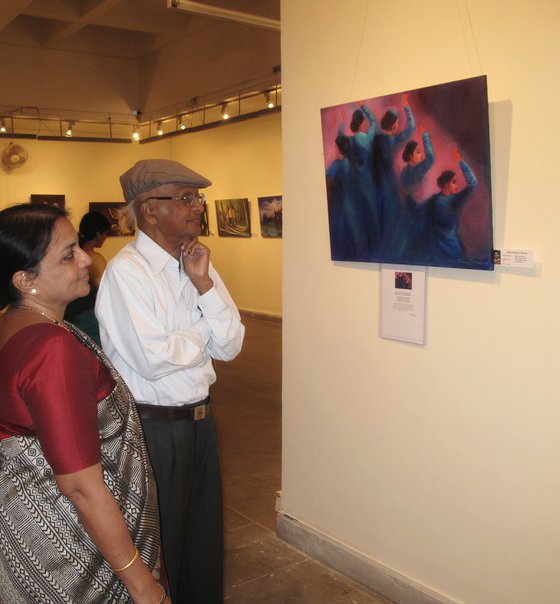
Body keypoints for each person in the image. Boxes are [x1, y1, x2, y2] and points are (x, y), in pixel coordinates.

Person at [95, 159, 245, 604]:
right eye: (184, 197)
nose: (197, 206)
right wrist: (204, 327)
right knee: (162, 548)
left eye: (197, 197)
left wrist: (202, 286)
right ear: (149, 210)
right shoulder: (128, 273)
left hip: (200, 424)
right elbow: (154, 359)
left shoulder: (197, 262)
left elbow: (233, 343)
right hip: (152, 430)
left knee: (202, 544)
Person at [0, 204, 166, 603]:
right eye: (69, 253)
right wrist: (141, 584)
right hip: (74, 552)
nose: (86, 259)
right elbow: (82, 487)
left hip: (26, 528)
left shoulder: (12, 323)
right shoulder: (51, 349)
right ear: (26, 280)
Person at [65, 210, 110, 345]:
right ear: (98, 234)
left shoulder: (75, 257)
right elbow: (103, 291)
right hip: (88, 317)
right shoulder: (94, 259)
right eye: (105, 233)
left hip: (71, 314)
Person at [431, 146, 477, 263]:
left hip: (437, 254)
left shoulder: (435, 200)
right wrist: (459, 160)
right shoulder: (451, 201)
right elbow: (472, 184)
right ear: (446, 184)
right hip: (453, 253)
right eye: (454, 182)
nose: (457, 185)